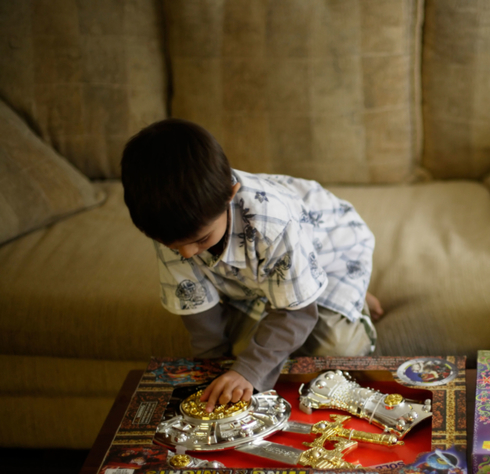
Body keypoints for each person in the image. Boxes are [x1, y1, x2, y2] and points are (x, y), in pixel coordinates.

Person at [121, 119, 383, 412]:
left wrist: (247, 371)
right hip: (255, 278)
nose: (186, 253)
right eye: (173, 246)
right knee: (242, 354)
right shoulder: (174, 225)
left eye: (200, 240)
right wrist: (217, 369)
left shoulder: (272, 221)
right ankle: (285, 293)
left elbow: (297, 313)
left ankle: (351, 297)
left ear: (230, 196)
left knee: (337, 350)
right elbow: (198, 311)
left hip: (331, 253)